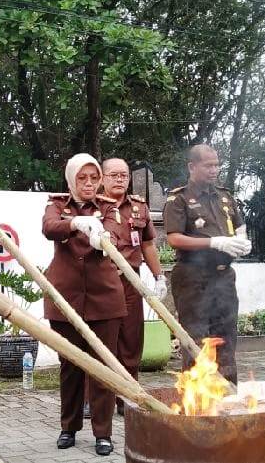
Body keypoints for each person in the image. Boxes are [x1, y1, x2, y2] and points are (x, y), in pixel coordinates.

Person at [42, 153, 127, 456]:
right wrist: (75, 223)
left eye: (94, 178)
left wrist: (102, 236)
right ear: (71, 180)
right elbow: (50, 227)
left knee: (103, 367)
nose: (89, 184)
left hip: (104, 299)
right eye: (83, 178)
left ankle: (103, 433)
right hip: (66, 299)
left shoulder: (109, 207)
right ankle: (69, 427)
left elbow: (117, 235)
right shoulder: (57, 205)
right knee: (70, 365)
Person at [163, 144, 251, 383]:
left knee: (226, 337)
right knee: (196, 340)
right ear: (192, 167)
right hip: (193, 277)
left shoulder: (224, 196)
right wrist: (213, 243)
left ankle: (228, 395)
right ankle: (197, 400)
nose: (215, 170)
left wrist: (242, 241)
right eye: (208, 165)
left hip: (224, 276)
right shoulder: (179, 198)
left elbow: (238, 225)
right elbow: (174, 238)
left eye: (217, 165)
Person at [101, 158, 167, 415]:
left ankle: (127, 396)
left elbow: (148, 244)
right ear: (103, 178)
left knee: (130, 340)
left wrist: (159, 276)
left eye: (124, 175)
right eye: (114, 175)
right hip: (100, 283)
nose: (119, 180)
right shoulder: (93, 207)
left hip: (130, 281)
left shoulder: (139, 207)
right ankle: (95, 397)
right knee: (103, 341)